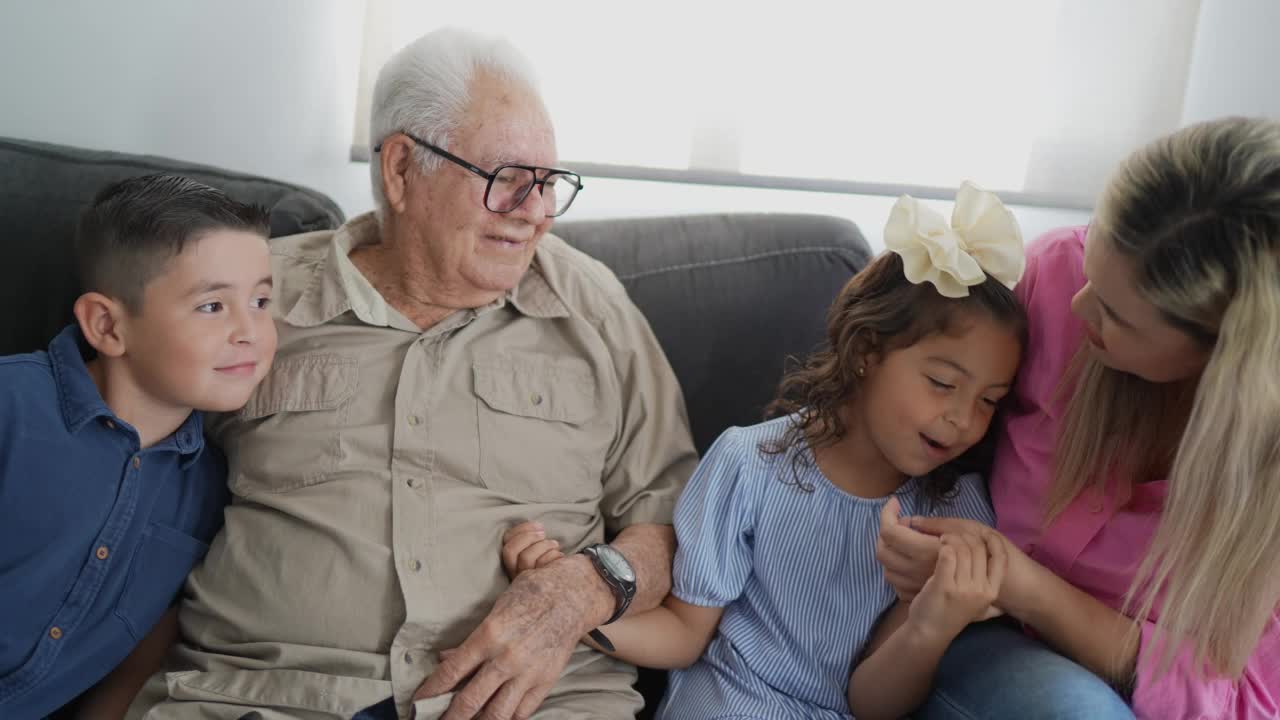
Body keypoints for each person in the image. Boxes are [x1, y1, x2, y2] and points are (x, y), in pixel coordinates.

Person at [126, 27, 698, 720]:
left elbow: (674, 520)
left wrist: (586, 586)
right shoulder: (254, 297)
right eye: (508, 180)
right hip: (268, 697)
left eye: (549, 184)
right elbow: (120, 468)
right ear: (402, 169)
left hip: (529, 704)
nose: (538, 215)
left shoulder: (592, 309)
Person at [503, 183, 1028, 719]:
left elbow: (870, 704)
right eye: (943, 382)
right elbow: (685, 634)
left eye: (990, 400)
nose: (964, 420)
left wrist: (931, 624)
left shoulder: (953, 516)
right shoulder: (750, 465)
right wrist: (568, 617)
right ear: (869, 350)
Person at [879, 116, 1280, 719]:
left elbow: (1245, 704)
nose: (1076, 304)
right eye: (1093, 264)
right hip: (981, 641)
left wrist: (1027, 586)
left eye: (1116, 314)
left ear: (1224, 357)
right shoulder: (1055, 273)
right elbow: (890, 382)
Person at [0, 174, 276, 719]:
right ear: (106, 325)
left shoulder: (213, 488)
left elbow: (142, 659)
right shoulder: (11, 407)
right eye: (212, 307)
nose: (251, 330)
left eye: (262, 300)